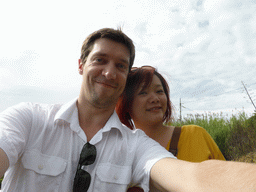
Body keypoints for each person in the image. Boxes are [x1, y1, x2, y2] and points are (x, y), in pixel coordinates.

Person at [0, 28, 255, 192]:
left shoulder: (136, 147)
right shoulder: (30, 119)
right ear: (81, 65)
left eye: (121, 66)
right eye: (100, 60)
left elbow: (193, 176)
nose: (109, 72)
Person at [116, 66, 225, 163]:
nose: (155, 99)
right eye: (143, 93)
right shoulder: (119, 152)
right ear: (126, 103)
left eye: (159, 91)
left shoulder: (195, 135)